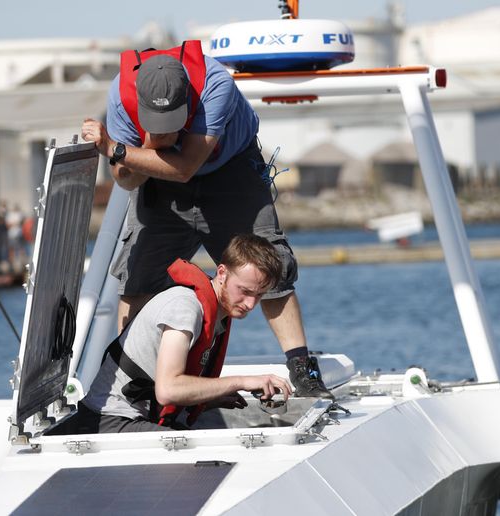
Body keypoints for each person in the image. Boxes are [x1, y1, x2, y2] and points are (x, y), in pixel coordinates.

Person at [80, 39, 332, 398]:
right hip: (158, 179)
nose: (166, 129)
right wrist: (146, 147)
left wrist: (119, 149)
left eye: (173, 122)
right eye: (157, 122)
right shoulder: (121, 98)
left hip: (229, 170)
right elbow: (128, 179)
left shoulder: (215, 84)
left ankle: (304, 371)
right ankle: (128, 380)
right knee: (138, 276)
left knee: (270, 266)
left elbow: (185, 167)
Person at [55, 234, 293, 434]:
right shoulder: (185, 307)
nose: (251, 304)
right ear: (222, 273)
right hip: (109, 419)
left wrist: (210, 398)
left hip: (136, 415)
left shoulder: (217, 312)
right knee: (203, 459)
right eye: (245, 291)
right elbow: (168, 390)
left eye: (259, 295)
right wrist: (242, 381)